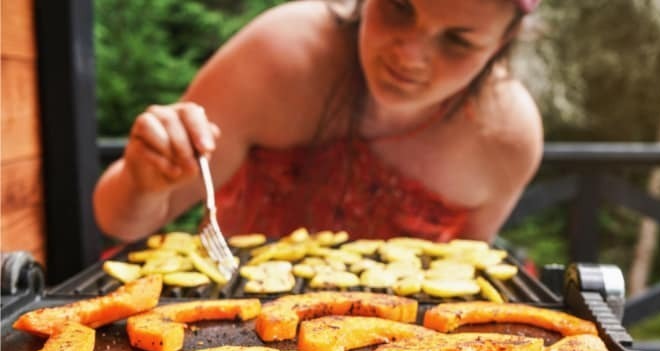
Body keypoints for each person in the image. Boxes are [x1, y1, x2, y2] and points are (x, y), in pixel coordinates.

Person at [93, 0, 543, 244]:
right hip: (231, 346)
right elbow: (121, 222)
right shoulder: (280, 54)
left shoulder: (507, 137)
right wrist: (144, 181)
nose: (409, 56)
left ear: (504, 40)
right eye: (400, 7)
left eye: (457, 41)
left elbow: (466, 287)